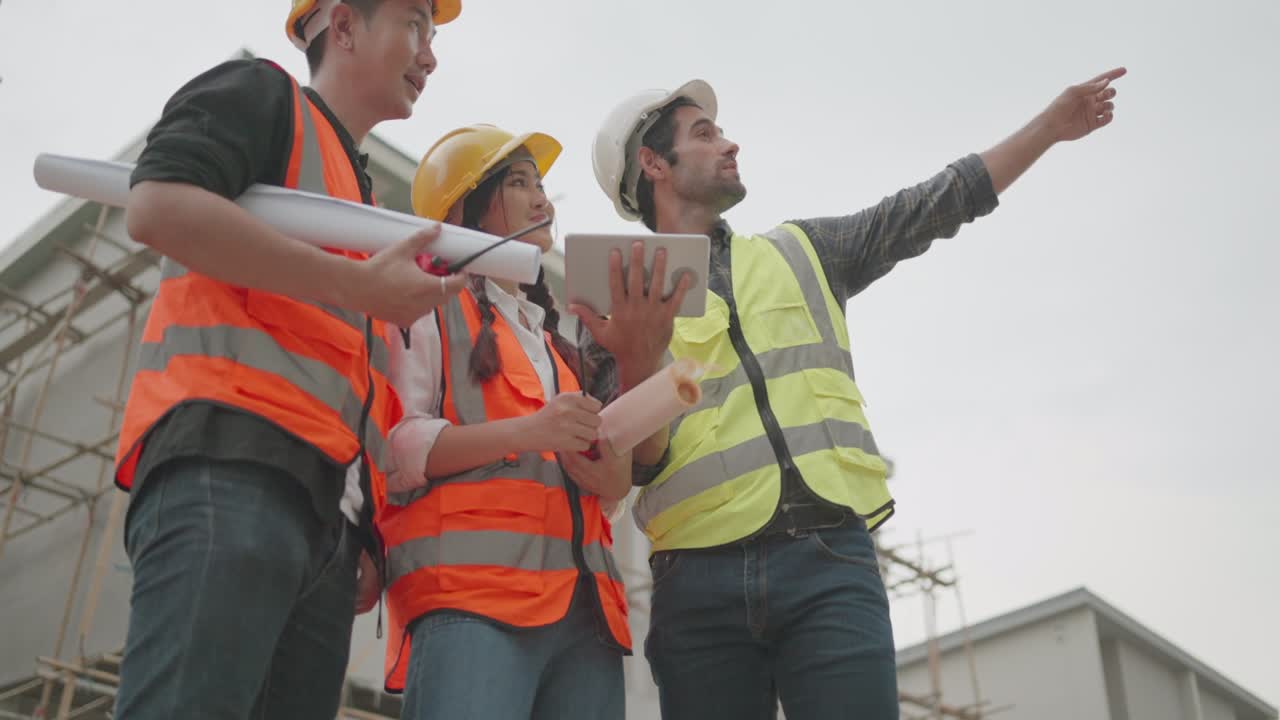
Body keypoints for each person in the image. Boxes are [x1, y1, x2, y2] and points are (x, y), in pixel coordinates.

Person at [585, 69, 1126, 719]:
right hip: (697, 587)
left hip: (827, 563)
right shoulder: (611, 305)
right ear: (653, 162)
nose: (730, 145)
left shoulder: (803, 251)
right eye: (705, 134)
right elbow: (637, 462)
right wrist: (638, 353)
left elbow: (936, 202)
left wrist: (1050, 128)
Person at [110, 2, 466, 718]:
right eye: (417, 26)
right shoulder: (260, 94)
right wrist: (359, 284)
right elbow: (156, 208)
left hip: (323, 520)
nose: (431, 55)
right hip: (230, 467)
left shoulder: (358, 196)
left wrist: (358, 529)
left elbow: (344, 375)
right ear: (342, 26)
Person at [378, 124, 659, 719]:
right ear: (469, 206)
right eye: (519, 183)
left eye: (542, 185)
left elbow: (607, 494)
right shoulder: (426, 303)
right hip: (472, 600)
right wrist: (529, 433)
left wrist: (605, 460)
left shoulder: (553, 347)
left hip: (583, 615)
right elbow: (394, 448)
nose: (543, 200)